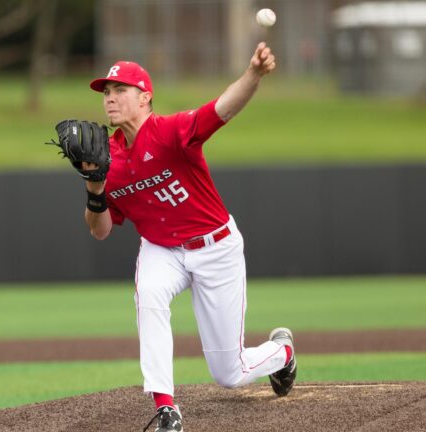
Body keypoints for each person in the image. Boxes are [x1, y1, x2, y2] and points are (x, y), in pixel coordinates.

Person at [83, 43, 296, 431]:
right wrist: (94, 190)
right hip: (161, 250)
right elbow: (100, 231)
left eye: (120, 90)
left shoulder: (170, 131)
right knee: (149, 294)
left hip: (215, 247)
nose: (110, 98)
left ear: (145, 97)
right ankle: (166, 407)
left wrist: (253, 74)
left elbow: (222, 109)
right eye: (106, 92)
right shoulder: (106, 160)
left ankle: (281, 352)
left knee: (229, 373)